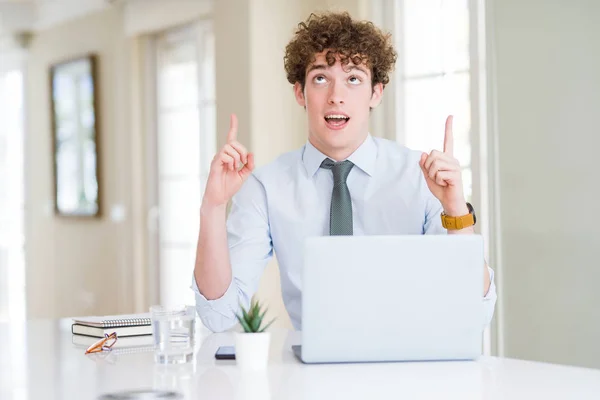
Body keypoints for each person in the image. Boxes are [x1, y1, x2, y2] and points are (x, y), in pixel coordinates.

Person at [192, 12, 496, 333]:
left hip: (407, 372)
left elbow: (474, 314)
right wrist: (212, 207)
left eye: (353, 79)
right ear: (300, 93)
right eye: (321, 78)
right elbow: (219, 315)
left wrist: (455, 210)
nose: (336, 96)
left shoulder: (420, 176)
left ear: (375, 93)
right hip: (308, 375)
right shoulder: (267, 187)